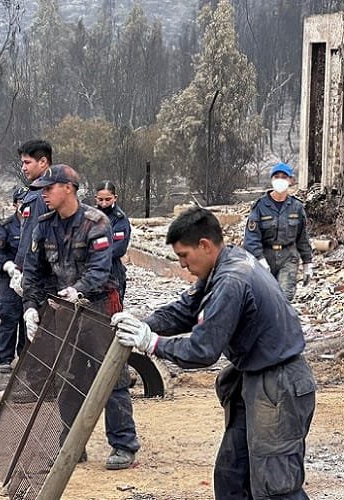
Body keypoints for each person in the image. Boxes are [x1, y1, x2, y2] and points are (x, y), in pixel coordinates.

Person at [112, 207, 316, 499]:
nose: (182, 264)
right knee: (232, 474)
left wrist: (152, 343)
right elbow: (186, 309)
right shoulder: (223, 265)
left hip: (279, 385)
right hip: (256, 379)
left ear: (205, 245)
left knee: (276, 486)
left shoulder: (232, 279)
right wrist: (142, 325)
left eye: (184, 255)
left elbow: (203, 349)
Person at [22, 164, 140, 470]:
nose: (44, 195)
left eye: (49, 189)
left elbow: (100, 270)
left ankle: (123, 444)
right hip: (66, 310)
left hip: (100, 307)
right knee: (68, 376)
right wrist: (30, 308)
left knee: (111, 375)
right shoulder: (45, 225)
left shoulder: (95, 222)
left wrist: (78, 289)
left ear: (68, 189)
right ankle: (72, 443)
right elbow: (34, 273)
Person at [243, 162, 313, 301]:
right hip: (265, 255)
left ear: (290, 181)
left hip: (288, 256)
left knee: (285, 297)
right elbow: (251, 238)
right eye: (276, 176)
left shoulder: (296, 207)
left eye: (284, 177)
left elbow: (302, 238)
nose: (280, 180)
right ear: (272, 180)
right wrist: (260, 259)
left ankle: (281, 321)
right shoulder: (260, 206)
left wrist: (307, 263)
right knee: (265, 298)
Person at [0, 187, 27, 373]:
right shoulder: (5, 227)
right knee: (9, 315)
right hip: (9, 279)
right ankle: (4, 358)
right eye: (21, 201)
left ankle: (26, 357)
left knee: (29, 318)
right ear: (15, 204)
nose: (24, 204)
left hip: (31, 278)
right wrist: (7, 266)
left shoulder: (38, 224)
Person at [10, 139, 52, 295]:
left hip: (41, 271)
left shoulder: (40, 194)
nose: (23, 168)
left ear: (42, 162)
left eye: (27, 163)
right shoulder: (53, 187)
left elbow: (31, 235)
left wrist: (20, 266)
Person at [95, 181, 132, 302]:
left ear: (115, 198)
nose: (104, 203)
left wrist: (93, 249)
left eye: (108, 199)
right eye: (100, 199)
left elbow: (118, 248)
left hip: (112, 272)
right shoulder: (90, 215)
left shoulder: (119, 219)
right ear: (95, 198)